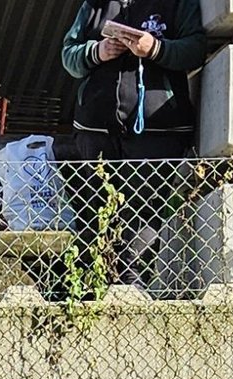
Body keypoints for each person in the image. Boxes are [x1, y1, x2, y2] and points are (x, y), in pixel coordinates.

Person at [61, 0, 206, 287]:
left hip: (159, 130)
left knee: (145, 208)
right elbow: (69, 55)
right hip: (96, 128)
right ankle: (92, 283)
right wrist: (97, 52)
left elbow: (196, 49)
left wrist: (156, 49)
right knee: (96, 206)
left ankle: (132, 279)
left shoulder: (178, 3)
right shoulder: (95, 4)